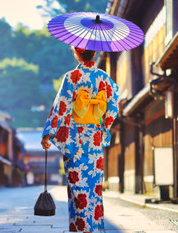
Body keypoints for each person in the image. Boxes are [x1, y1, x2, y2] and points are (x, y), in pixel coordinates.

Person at [41, 47, 120, 233]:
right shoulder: (103, 78)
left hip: (74, 138)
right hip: (94, 139)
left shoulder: (72, 76)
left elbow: (61, 106)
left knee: (78, 189)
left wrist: (48, 133)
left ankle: (82, 229)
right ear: (95, 54)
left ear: (76, 53)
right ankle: (95, 229)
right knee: (93, 189)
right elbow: (113, 102)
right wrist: (103, 126)